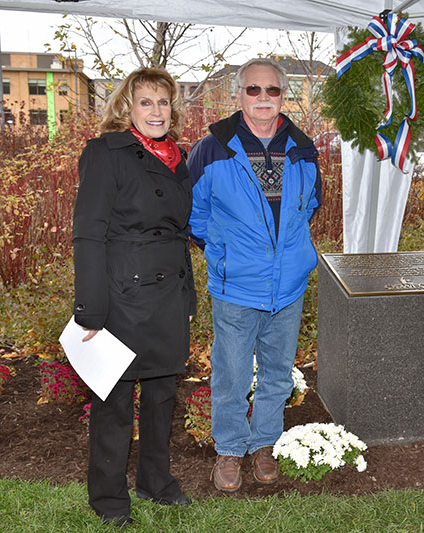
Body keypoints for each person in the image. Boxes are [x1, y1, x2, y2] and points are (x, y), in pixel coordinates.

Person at [187, 57, 322, 493]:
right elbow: (194, 213)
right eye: (253, 90)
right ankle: (229, 449)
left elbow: (311, 206)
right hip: (236, 286)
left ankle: (263, 443)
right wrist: (223, 251)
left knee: (279, 373)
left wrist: (288, 254)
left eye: (273, 91)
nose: (263, 98)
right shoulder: (213, 148)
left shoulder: (303, 148)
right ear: (238, 94)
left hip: (288, 286)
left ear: (284, 96)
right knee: (231, 372)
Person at [72, 67, 195, 526]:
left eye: (163, 102)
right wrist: (90, 309)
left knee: (162, 395)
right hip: (121, 295)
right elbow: (87, 232)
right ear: (127, 108)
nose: (156, 111)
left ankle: (156, 482)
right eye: (146, 102)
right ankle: (108, 500)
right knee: (115, 402)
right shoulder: (106, 153)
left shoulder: (178, 157)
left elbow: (179, 232)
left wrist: (188, 300)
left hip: (168, 295)